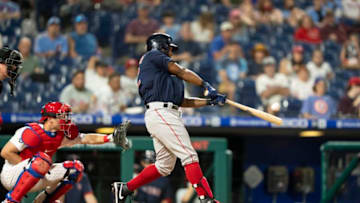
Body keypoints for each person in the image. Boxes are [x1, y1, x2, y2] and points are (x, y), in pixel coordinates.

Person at [112, 33, 225, 203]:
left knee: (164, 167)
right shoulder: (152, 56)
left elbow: (183, 102)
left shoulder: (163, 76)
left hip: (165, 113)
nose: (172, 53)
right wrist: (206, 85)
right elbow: (180, 70)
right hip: (161, 113)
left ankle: (126, 188)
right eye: (170, 49)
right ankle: (206, 199)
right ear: (161, 47)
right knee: (189, 156)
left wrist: (209, 102)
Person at [0, 101, 130, 203]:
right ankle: (11, 200)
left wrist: (110, 138)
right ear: (49, 119)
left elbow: (86, 138)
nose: (66, 119)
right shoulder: (30, 131)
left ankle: (43, 200)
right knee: (42, 160)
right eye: (61, 116)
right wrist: (30, 169)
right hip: (12, 175)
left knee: (76, 169)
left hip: (37, 172)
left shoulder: (60, 135)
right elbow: (6, 153)